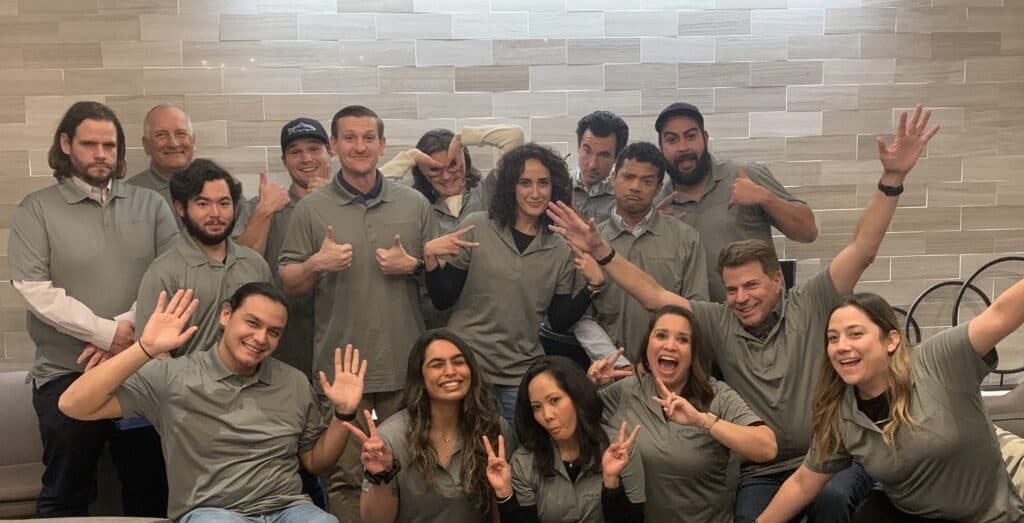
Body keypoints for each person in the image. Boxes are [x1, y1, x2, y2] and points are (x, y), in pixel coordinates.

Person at [548, 105, 940, 522]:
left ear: (777, 282)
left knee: (829, 503)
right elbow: (654, 295)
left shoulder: (810, 303)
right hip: (763, 470)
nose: (741, 298)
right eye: (732, 289)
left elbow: (862, 249)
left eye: (751, 286)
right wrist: (601, 251)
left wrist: (892, 180)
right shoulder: (720, 321)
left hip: (832, 457)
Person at [57, 284, 366, 522]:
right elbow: (73, 404)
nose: (261, 338)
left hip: (288, 508)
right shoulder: (174, 377)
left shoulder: (293, 382)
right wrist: (145, 348)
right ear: (226, 315)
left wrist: (344, 414)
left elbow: (315, 462)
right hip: (212, 512)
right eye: (252, 323)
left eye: (273, 332)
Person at [8, 101, 178, 517]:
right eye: (89, 144)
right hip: (67, 372)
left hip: (142, 370)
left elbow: (171, 274)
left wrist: (122, 337)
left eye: (109, 145)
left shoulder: (152, 205)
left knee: (151, 488)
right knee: (67, 490)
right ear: (66, 144)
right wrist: (106, 334)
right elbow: (35, 288)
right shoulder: (36, 209)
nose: (101, 154)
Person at [278, 105, 435, 520]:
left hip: (406, 367)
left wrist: (414, 266)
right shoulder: (311, 210)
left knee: (411, 473)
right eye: (349, 137)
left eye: (369, 137)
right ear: (334, 146)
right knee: (348, 478)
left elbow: (442, 282)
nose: (360, 146)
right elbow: (288, 283)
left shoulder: (415, 204)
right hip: (343, 374)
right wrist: (315, 264)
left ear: (383, 145)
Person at [757, 288, 1024, 522]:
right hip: (908, 515)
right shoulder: (841, 413)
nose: (841, 346)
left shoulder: (938, 361)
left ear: (891, 340)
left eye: (855, 334)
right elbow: (803, 483)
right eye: (833, 338)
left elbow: (1001, 314)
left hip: (990, 517)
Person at [423, 143, 601, 428]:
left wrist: (592, 287)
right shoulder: (477, 226)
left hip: (521, 374)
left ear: (554, 188)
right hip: (468, 367)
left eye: (543, 183)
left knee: (519, 456)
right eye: (525, 183)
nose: (535, 192)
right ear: (510, 187)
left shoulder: (561, 248)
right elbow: (444, 299)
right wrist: (430, 258)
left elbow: (558, 320)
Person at [588, 305, 775, 522]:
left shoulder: (717, 395)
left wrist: (702, 421)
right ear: (647, 345)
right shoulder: (625, 390)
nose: (670, 346)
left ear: (694, 353)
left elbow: (767, 448)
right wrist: (589, 384)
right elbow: (571, 417)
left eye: (683, 340)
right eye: (661, 335)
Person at [654, 102, 817, 302]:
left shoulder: (745, 176)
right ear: (661, 147)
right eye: (672, 140)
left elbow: (808, 232)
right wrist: (653, 230)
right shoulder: (658, 207)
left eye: (691, 136)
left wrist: (765, 198)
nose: (683, 147)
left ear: (705, 138)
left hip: (765, 324)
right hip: (701, 326)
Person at [344, 329, 509, 523]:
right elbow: (376, 522)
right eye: (437, 365)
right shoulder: (390, 437)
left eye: (458, 362)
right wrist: (382, 476)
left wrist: (503, 492)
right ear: (420, 378)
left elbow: (503, 514)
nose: (450, 371)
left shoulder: (494, 428)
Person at [574, 142, 708, 365]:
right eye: (628, 177)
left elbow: (697, 309)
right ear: (614, 178)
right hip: (610, 373)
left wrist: (667, 357)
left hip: (671, 368)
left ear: (658, 188)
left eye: (647, 181)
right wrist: (617, 363)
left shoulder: (686, 238)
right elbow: (583, 317)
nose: (635, 187)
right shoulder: (592, 241)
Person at [379, 125, 523, 329]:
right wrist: (409, 158)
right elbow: (370, 187)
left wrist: (463, 138)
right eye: (435, 170)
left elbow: (514, 137)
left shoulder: (489, 192)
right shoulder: (415, 205)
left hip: (489, 319)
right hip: (437, 321)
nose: (446, 176)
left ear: (464, 158)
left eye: (453, 165)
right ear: (422, 172)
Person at [136, 158, 271, 357]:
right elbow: (152, 356)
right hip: (189, 386)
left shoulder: (255, 264)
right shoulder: (163, 273)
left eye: (224, 203)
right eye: (203, 203)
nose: (215, 213)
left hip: (252, 384)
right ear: (181, 208)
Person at [484, 356, 645, 522]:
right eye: (537, 407)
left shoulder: (620, 449)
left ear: (577, 397)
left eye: (554, 400)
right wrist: (505, 494)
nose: (547, 415)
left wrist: (611, 483)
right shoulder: (523, 462)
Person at [234, 117, 334, 374]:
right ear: (284, 161)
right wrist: (263, 213)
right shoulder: (263, 205)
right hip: (284, 341)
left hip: (343, 332)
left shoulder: (350, 202)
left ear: (330, 152)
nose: (306, 159)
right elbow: (239, 267)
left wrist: (328, 205)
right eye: (295, 152)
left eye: (314, 148)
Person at [126, 103, 196, 225]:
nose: (173, 143)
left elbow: (239, 241)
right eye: (161, 135)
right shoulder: (126, 197)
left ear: (193, 141)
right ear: (146, 145)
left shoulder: (222, 188)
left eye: (180, 133)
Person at [571, 111, 629, 224]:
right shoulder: (557, 185)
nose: (592, 164)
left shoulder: (625, 196)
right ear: (578, 147)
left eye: (604, 155)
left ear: (617, 157)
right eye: (587, 151)